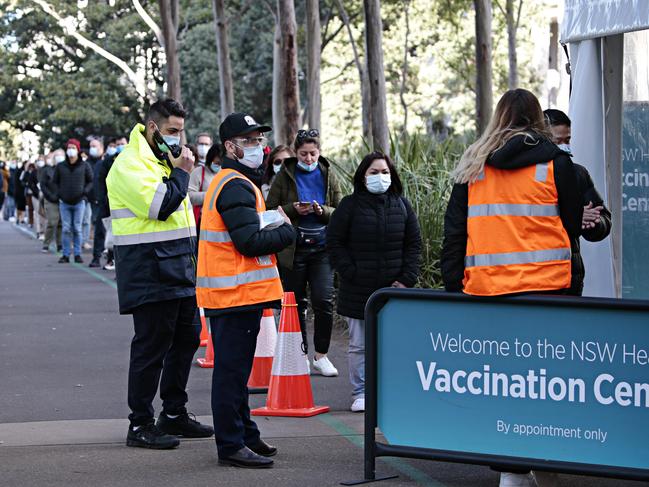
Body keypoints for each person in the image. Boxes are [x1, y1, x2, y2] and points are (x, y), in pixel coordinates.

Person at [440, 89, 605, 487]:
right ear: (539, 120)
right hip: (549, 292)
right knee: (546, 382)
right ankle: (544, 457)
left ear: (498, 117)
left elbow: (454, 237)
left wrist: (453, 293)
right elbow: (570, 228)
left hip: (488, 293)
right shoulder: (558, 164)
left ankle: (511, 470)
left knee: (504, 382)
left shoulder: (473, 166)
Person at [106, 98, 213, 450]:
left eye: (181, 131)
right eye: (171, 131)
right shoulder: (129, 163)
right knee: (151, 346)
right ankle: (139, 423)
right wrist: (182, 172)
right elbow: (161, 206)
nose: (178, 139)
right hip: (148, 269)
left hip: (178, 267)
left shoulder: (161, 159)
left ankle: (173, 412)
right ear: (153, 128)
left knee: (187, 338)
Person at [197, 112, 295, 468]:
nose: (259, 147)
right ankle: (231, 444)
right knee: (231, 374)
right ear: (230, 146)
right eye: (250, 141)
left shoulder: (233, 182)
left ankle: (245, 435)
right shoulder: (235, 185)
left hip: (235, 295)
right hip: (234, 296)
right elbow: (248, 241)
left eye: (258, 140)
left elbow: (246, 230)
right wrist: (287, 231)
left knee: (235, 373)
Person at [327, 152, 422, 413]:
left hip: (393, 291)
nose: (380, 177)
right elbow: (334, 242)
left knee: (391, 343)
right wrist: (350, 271)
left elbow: (413, 244)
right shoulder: (349, 205)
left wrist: (405, 279)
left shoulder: (401, 205)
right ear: (362, 176)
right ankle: (360, 392)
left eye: (385, 172)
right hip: (357, 290)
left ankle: (388, 391)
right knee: (359, 345)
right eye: (373, 172)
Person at [266, 129, 342, 376]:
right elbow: (270, 209)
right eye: (303, 154)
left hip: (322, 248)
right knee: (295, 303)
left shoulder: (328, 174)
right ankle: (300, 354)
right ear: (296, 153)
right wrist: (294, 208)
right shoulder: (284, 175)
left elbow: (341, 210)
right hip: (293, 249)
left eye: (313, 153)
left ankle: (321, 355)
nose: (309, 159)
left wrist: (322, 211)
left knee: (323, 301)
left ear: (319, 152)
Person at [544, 108, 612, 238]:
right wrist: (575, 216)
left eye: (567, 140)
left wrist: (594, 223)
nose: (564, 146)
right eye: (557, 142)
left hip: (570, 257)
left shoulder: (578, 173)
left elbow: (604, 217)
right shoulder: (531, 175)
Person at [53, 139, 93, 263]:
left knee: (77, 228)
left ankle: (77, 254)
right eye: (69, 147)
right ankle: (65, 254)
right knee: (66, 228)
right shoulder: (61, 166)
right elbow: (55, 182)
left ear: (78, 150)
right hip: (64, 202)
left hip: (79, 201)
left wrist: (85, 192)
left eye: (73, 148)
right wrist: (59, 194)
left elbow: (91, 180)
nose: (71, 150)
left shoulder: (85, 165)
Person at [189, 143, 222, 230]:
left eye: (221, 163)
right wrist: (212, 195)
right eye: (216, 163)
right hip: (202, 220)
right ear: (210, 159)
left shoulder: (224, 173)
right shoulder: (198, 172)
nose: (218, 166)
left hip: (219, 220)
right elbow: (189, 196)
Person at [88, 138, 106, 267]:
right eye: (91, 146)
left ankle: (110, 257)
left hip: (111, 201)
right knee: (98, 228)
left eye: (95, 146)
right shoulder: (88, 163)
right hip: (96, 201)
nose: (92, 148)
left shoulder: (107, 162)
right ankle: (96, 256)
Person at [39, 152, 62, 252]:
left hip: (62, 199)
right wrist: (50, 196)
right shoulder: (47, 170)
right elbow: (43, 185)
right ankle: (46, 243)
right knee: (52, 222)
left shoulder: (64, 169)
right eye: (56, 156)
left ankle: (60, 244)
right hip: (50, 199)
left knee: (61, 223)